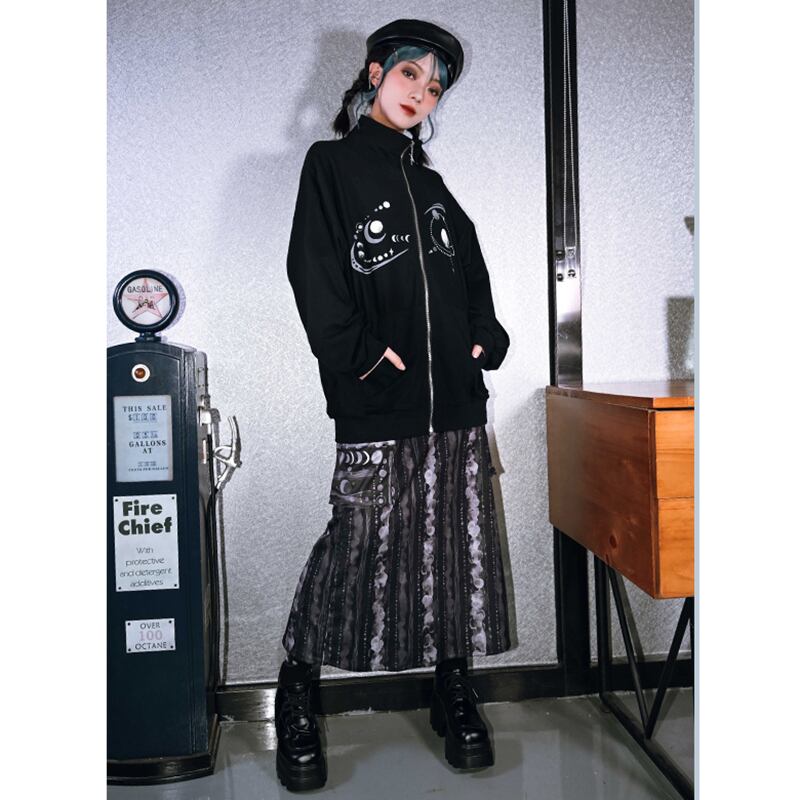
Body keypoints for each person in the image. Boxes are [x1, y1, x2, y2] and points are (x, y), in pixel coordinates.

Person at [279, 18, 512, 792]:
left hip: (456, 409)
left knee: (454, 549)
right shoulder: (332, 165)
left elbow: (472, 275)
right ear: (377, 73)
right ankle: (298, 694)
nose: (422, 93)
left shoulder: (433, 188)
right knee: (354, 547)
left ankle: (453, 688)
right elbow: (314, 272)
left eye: (435, 86)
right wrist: (363, 360)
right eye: (412, 74)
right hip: (378, 400)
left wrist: (483, 337)